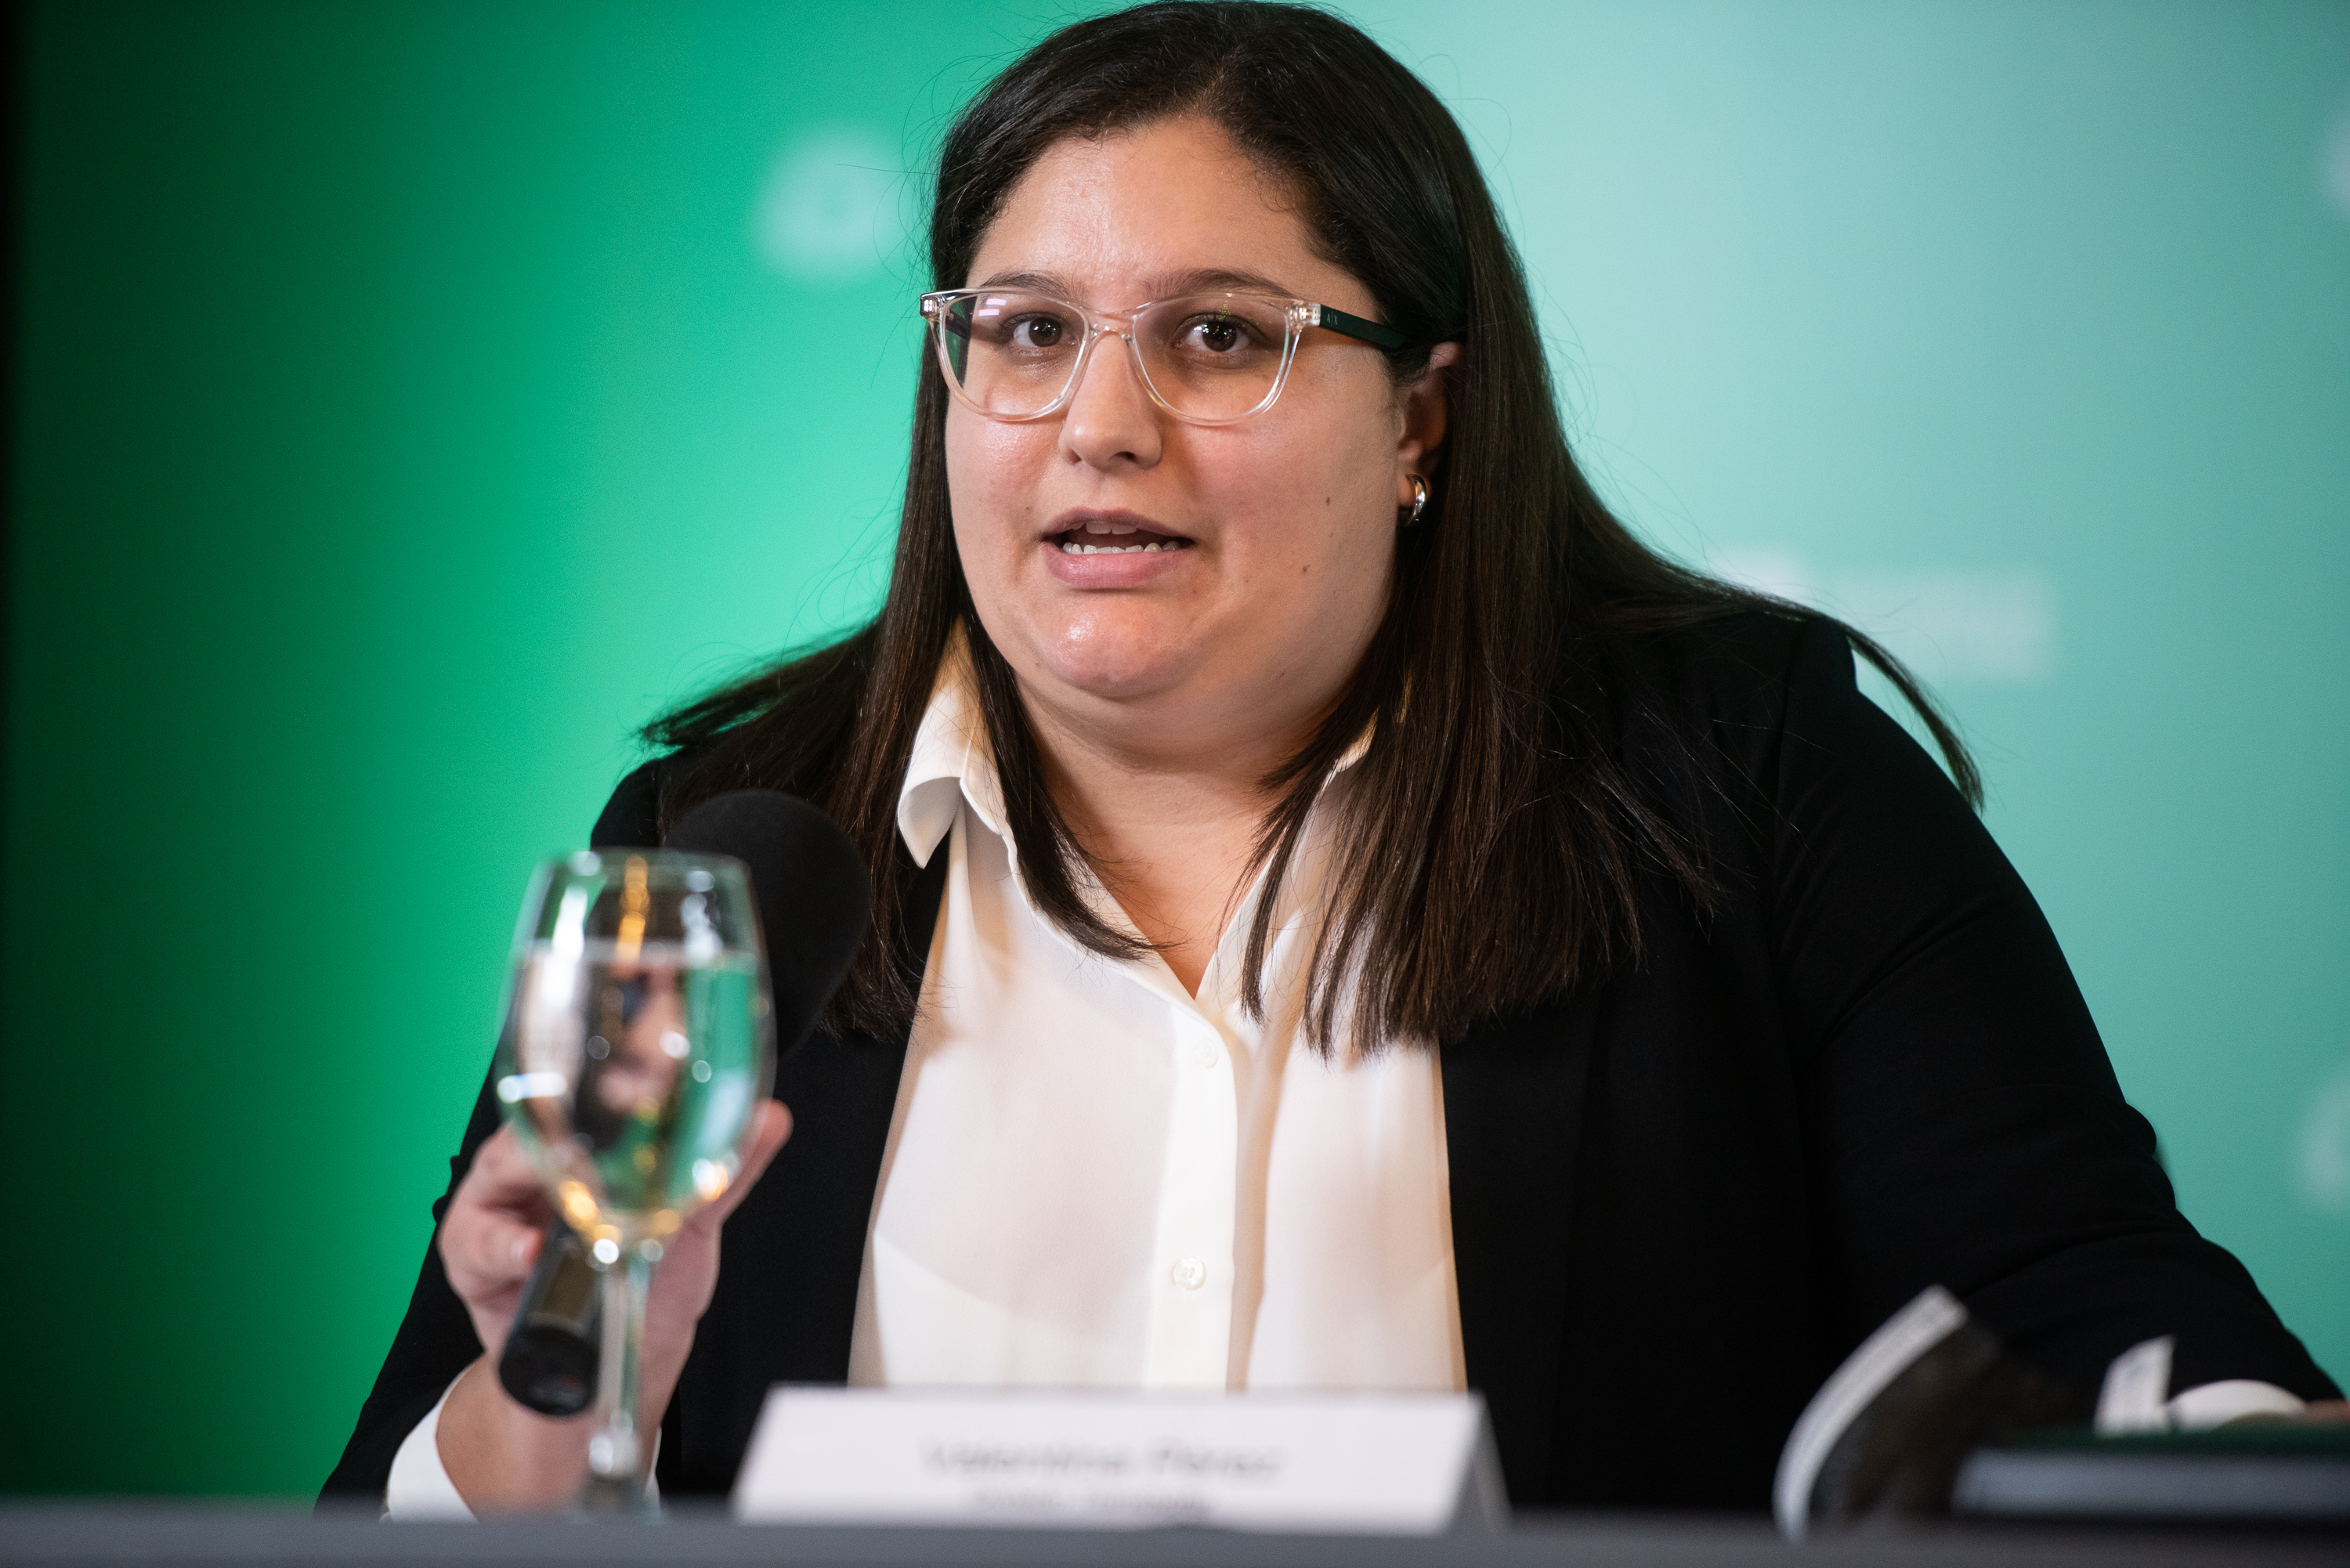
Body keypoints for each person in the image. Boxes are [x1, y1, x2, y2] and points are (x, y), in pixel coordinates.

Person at [325, 0, 2339, 1517]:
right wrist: (564, 1392)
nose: (1098, 422)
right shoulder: (731, 850)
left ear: (1422, 421)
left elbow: (2101, 1323)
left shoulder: (1746, 789)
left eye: (1218, 335)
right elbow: (411, 1488)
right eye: (1024, 330)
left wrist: (2253, 1470)